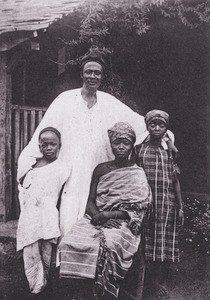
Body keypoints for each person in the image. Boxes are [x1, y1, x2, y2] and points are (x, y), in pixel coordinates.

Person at [17, 46, 176, 240]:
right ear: (82, 74)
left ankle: (93, 264)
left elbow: (139, 122)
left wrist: (166, 136)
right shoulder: (65, 100)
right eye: (88, 72)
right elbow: (44, 133)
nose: (92, 76)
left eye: (97, 73)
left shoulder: (109, 102)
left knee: (97, 220)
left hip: (99, 172)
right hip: (73, 172)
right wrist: (29, 164)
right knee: (69, 212)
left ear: (102, 77)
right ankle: (67, 259)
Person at [59, 122, 152, 299]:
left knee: (108, 244)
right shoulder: (101, 169)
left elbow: (138, 207)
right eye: (117, 143)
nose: (121, 147)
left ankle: (103, 290)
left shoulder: (137, 172)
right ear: (111, 145)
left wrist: (109, 215)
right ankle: (79, 290)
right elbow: (91, 200)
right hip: (95, 217)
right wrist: (97, 216)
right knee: (68, 242)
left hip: (123, 220)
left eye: (126, 142)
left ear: (132, 145)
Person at [134, 110, 184, 299]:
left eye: (161, 125)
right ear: (147, 127)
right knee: (146, 240)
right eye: (153, 125)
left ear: (166, 129)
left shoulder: (169, 150)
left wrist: (180, 207)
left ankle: (160, 282)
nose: (156, 128)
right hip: (146, 202)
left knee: (163, 241)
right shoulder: (139, 149)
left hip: (166, 202)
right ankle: (145, 283)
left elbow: (175, 180)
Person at [16, 127, 69, 296]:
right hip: (30, 214)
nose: (48, 148)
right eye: (44, 144)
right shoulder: (32, 165)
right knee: (31, 249)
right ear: (39, 146)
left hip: (48, 214)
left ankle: (46, 281)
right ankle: (35, 284)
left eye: (52, 144)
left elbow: (60, 193)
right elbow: (24, 188)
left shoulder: (62, 167)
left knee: (46, 250)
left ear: (59, 145)